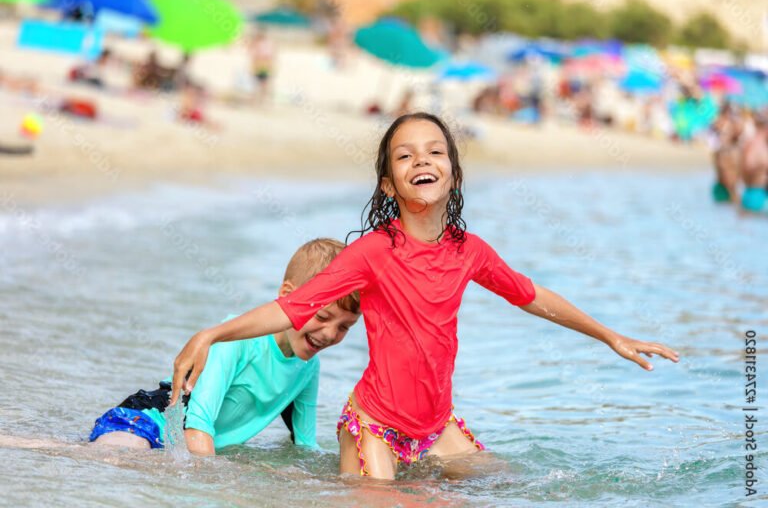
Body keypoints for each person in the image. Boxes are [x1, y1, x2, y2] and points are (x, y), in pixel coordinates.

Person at [169, 113, 680, 479]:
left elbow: (531, 296)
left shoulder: (469, 251)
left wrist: (610, 336)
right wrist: (212, 334)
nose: (422, 159)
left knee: (508, 484)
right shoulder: (373, 252)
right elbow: (292, 307)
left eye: (436, 151)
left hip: (436, 426)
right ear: (389, 185)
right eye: (405, 154)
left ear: (453, 175)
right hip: (373, 425)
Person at [90, 238, 360, 455]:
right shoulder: (238, 340)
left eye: (345, 327)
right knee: (120, 456)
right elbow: (197, 425)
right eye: (323, 317)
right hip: (147, 421)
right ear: (287, 296)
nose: (329, 334)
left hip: (182, 445)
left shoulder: (309, 368)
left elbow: (305, 447)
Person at [740, 114, 768, 213]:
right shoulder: (760, 147)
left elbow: (743, 169)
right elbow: (750, 167)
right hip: (758, 194)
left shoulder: (749, 142)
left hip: (749, 193)